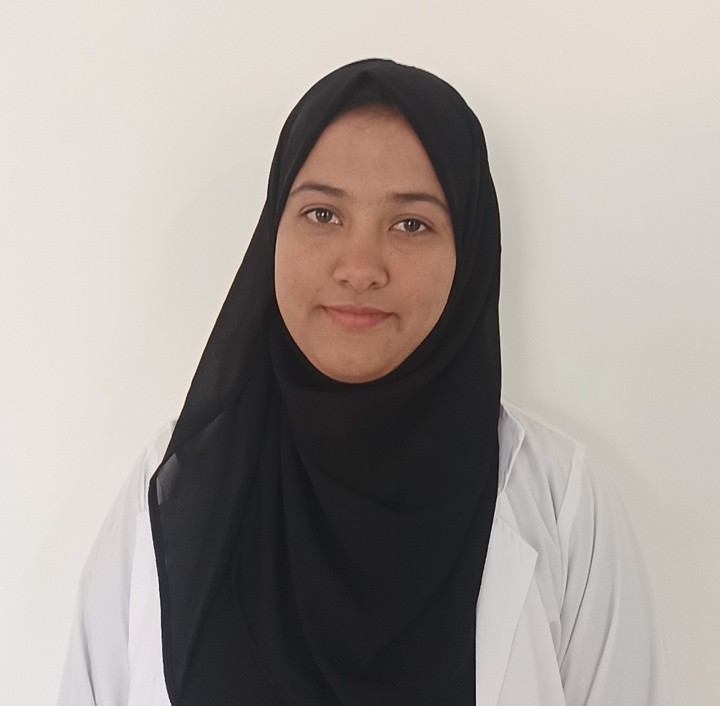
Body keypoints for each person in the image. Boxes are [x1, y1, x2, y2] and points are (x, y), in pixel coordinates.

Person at [58, 59, 673, 706]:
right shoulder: (175, 483)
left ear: (468, 253)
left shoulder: (559, 498)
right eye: (323, 214)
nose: (359, 267)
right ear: (273, 232)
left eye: (412, 224)